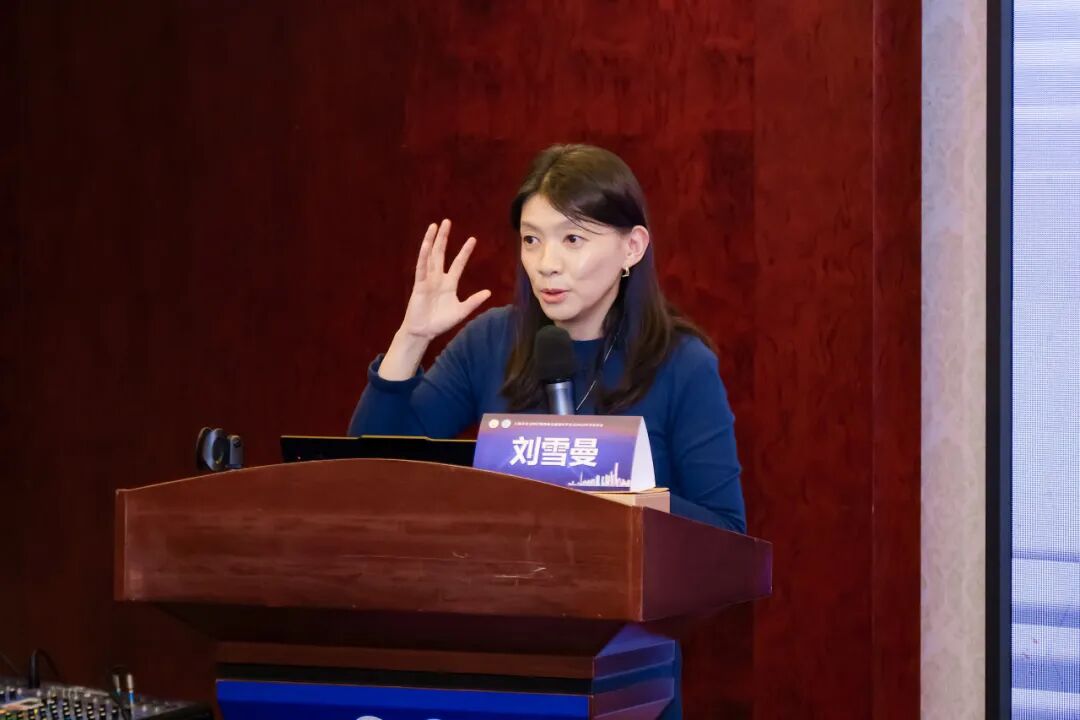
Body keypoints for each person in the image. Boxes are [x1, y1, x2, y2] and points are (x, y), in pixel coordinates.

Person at [348, 143, 745, 533]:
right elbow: (369, 475)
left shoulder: (682, 364)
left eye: (572, 240)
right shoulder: (491, 341)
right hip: (502, 574)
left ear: (632, 248)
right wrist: (412, 337)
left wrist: (620, 493)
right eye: (531, 240)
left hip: (627, 577)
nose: (546, 265)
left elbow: (727, 533)